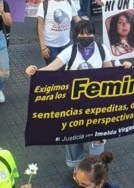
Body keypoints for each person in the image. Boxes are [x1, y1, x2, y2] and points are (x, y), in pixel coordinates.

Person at [26, 21, 123, 167]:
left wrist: (124, 68)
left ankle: (96, 167)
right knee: (74, 135)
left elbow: (111, 72)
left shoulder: (102, 49)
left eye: (89, 33)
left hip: (96, 105)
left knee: (97, 136)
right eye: (82, 34)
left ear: (94, 34)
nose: (85, 36)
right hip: (74, 105)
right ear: (77, 35)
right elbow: (50, 68)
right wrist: (35, 71)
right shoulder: (70, 51)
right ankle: (77, 167)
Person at [37, 0, 81, 64]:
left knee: (67, 68)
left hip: (66, 44)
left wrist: (86, 27)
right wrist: (43, 46)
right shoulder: (44, 5)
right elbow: (40, 26)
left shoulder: (69, 2)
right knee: (53, 70)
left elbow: (76, 18)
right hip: (50, 46)